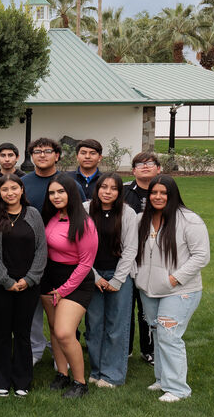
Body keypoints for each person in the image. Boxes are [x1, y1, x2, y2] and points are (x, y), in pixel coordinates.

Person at [135, 175, 209, 402]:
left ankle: (178, 389)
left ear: (172, 195)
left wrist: (174, 279)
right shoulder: (142, 220)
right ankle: (162, 380)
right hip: (149, 289)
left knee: (170, 335)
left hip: (179, 290)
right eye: (154, 193)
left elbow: (201, 256)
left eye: (163, 193)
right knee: (157, 333)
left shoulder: (190, 220)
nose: (158, 197)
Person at [0, 175, 47, 397]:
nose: (10, 192)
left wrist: (29, 279)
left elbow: (41, 250)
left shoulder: (33, 214)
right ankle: (1, 379)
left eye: (14, 188)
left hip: (29, 285)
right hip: (0, 285)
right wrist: (5, 280)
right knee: (1, 333)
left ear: (21, 190)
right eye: (5, 189)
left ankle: (22, 380)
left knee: (23, 333)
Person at [40, 175, 97, 399]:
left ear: (71, 194)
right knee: (54, 329)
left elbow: (86, 263)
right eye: (52, 193)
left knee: (65, 332)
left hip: (75, 281)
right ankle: (62, 374)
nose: (56, 197)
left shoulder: (84, 223)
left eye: (61, 192)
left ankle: (80, 382)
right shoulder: (52, 217)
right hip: (49, 277)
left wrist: (63, 290)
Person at [84, 174, 138, 388]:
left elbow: (131, 248)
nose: (108, 192)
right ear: (97, 189)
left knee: (117, 326)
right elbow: (80, 247)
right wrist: (95, 276)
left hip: (120, 275)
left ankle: (112, 375)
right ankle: (97, 371)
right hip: (91, 275)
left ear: (119, 192)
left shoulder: (127, 213)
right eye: (103, 187)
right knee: (94, 324)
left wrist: (117, 279)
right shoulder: (85, 209)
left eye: (113, 188)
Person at [20, 137, 62, 365]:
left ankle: (61, 352)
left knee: (61, 308)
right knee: (32, 308)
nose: (42, 155)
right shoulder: (23, 183)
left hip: (61, 257)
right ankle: (35, 349)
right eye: (37, 151)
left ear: (57, 155)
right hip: (29, 256)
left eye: (47, 151)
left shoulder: (67, 183)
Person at [123, 150, 161, 366]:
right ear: (133, 170)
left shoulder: (163, 191)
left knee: (148, 308)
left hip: (154, 260)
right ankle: (125, 348)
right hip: (127, 258)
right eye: (140, 164)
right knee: (126, 306)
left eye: (150, 163)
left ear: (158, 168)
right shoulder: (124, 191)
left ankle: (150, 350)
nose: (145, 166)